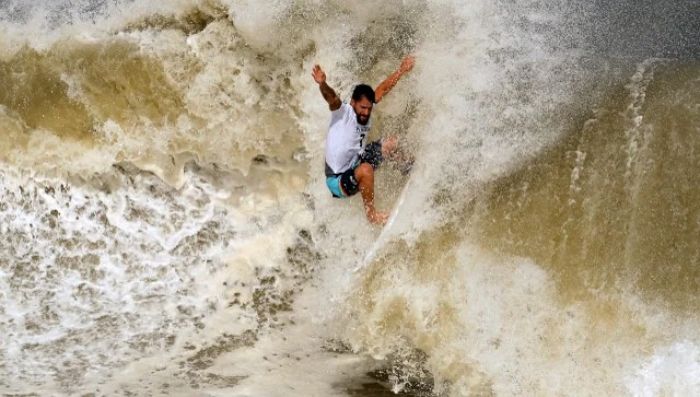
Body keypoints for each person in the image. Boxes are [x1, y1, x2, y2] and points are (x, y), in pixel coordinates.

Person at [311, 56, 415, 225]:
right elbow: (331, 98)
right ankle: (371, 215)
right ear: (353, 103)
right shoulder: (343, 112)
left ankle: (409, 168)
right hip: (337, 180)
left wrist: (402, 70)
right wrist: (322, 84)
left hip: (355, 164)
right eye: (362, 108)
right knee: (366, 169)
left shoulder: (367, 109)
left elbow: (381, 89)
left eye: (368, 108)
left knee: (391, 143)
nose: (366, 113)